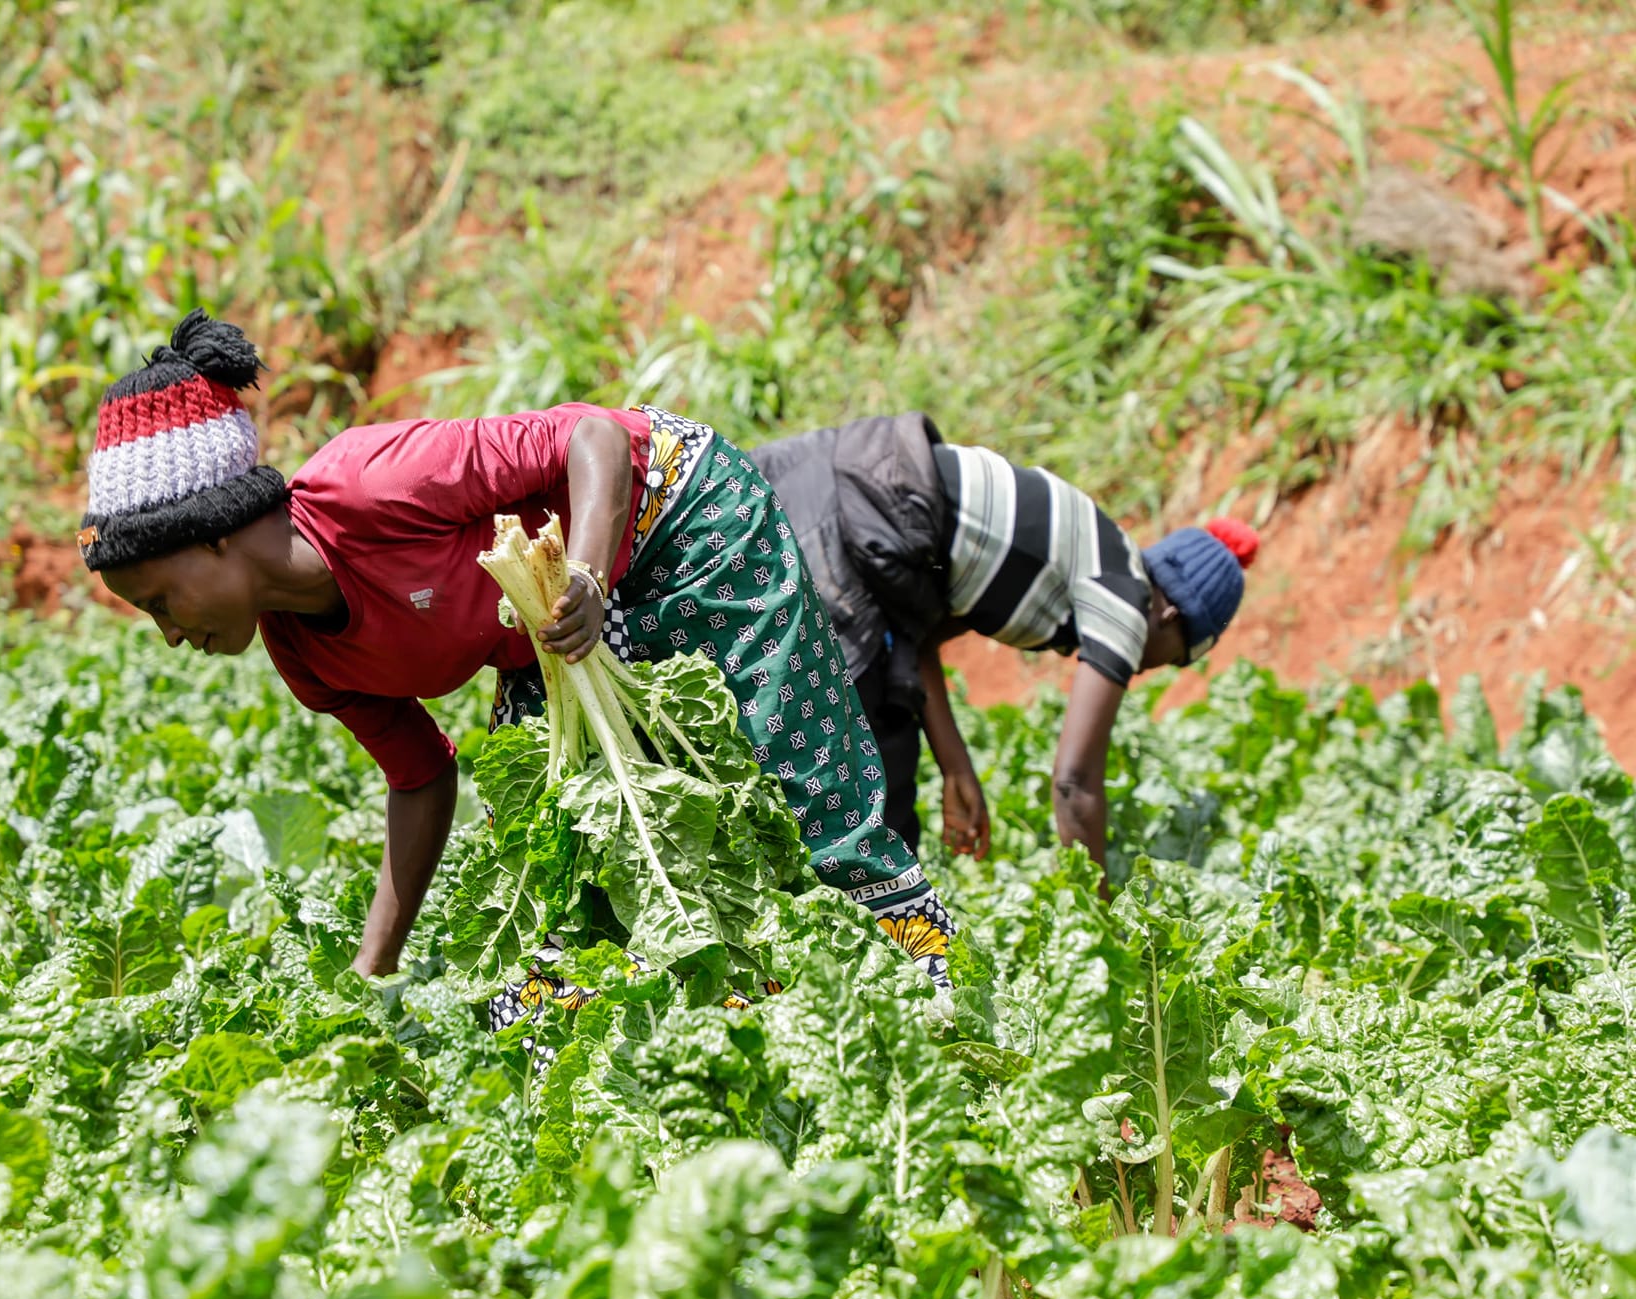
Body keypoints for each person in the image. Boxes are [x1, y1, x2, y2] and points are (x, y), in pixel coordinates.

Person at [77, 311, 962, 1008]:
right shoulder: (305, 653)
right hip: (556, 637)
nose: (170, 632)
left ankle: (944, 1019)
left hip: (679, 524)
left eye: (160, 600)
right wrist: (371, 969)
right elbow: (421, 780)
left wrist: (586, 576)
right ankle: (679, 1094)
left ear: (217, 537)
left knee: (798, 795)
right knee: (546, 903)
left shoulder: (364, 483)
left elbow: (594, 440)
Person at [749, 412, 1255, 880]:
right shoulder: (1127, 599)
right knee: (871, 800)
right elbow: (1074, 783)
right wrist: (1104, 924)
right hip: (850, 521)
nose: (1150, 668)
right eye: (1175, 657)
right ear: (1170, 616)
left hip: (821, 475)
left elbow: (918, 637)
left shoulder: (1093, 555)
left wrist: (956, 767)